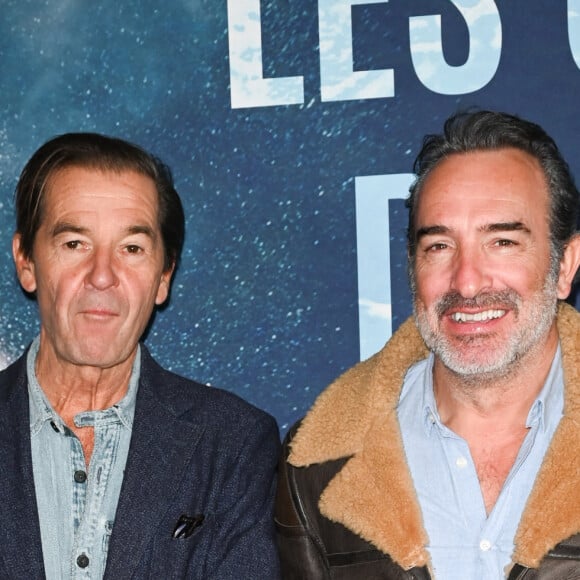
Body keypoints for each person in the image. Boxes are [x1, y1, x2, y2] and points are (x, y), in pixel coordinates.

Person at [275, 110, 580, 578]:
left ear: (564, 265)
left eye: (501, 242)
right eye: (439, 246)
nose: (468, 282)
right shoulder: (317, 466)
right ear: (413, 266)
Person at [1, 132, 281, 579]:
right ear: (26, 261)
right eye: (75, 243)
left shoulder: (233, 446)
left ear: (164, 276)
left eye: (131, 249)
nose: (102, 276)